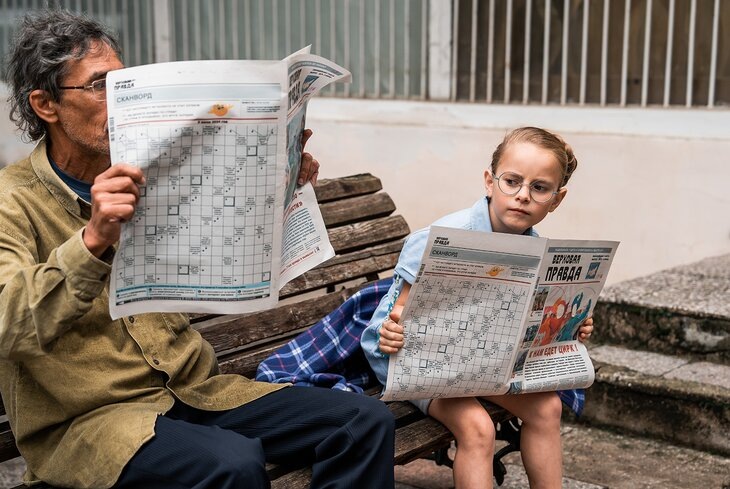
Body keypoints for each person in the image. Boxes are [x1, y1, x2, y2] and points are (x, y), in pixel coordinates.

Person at [0, 9, 394, 489]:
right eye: (101, 86)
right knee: (230, 463)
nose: (121, 101)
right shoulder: (12, 201)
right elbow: (10, 324)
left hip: (196, 389)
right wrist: (93, 240)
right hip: (94, 420)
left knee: (364, 421)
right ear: (46, 105)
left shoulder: (155, 168)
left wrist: (283, 188)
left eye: (127, 84)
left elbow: (229, 259)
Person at [360, 127, 595, 489]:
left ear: (556, 199)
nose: (522, 196)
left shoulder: (537, 252)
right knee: (478, 427)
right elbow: (395, 320)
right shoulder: (443, 237)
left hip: (481, 358)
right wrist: (392, 333)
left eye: (539, 187)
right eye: (512, 181)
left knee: (548, 408)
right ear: (489, 181)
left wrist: (570, 326)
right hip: (420, 362)